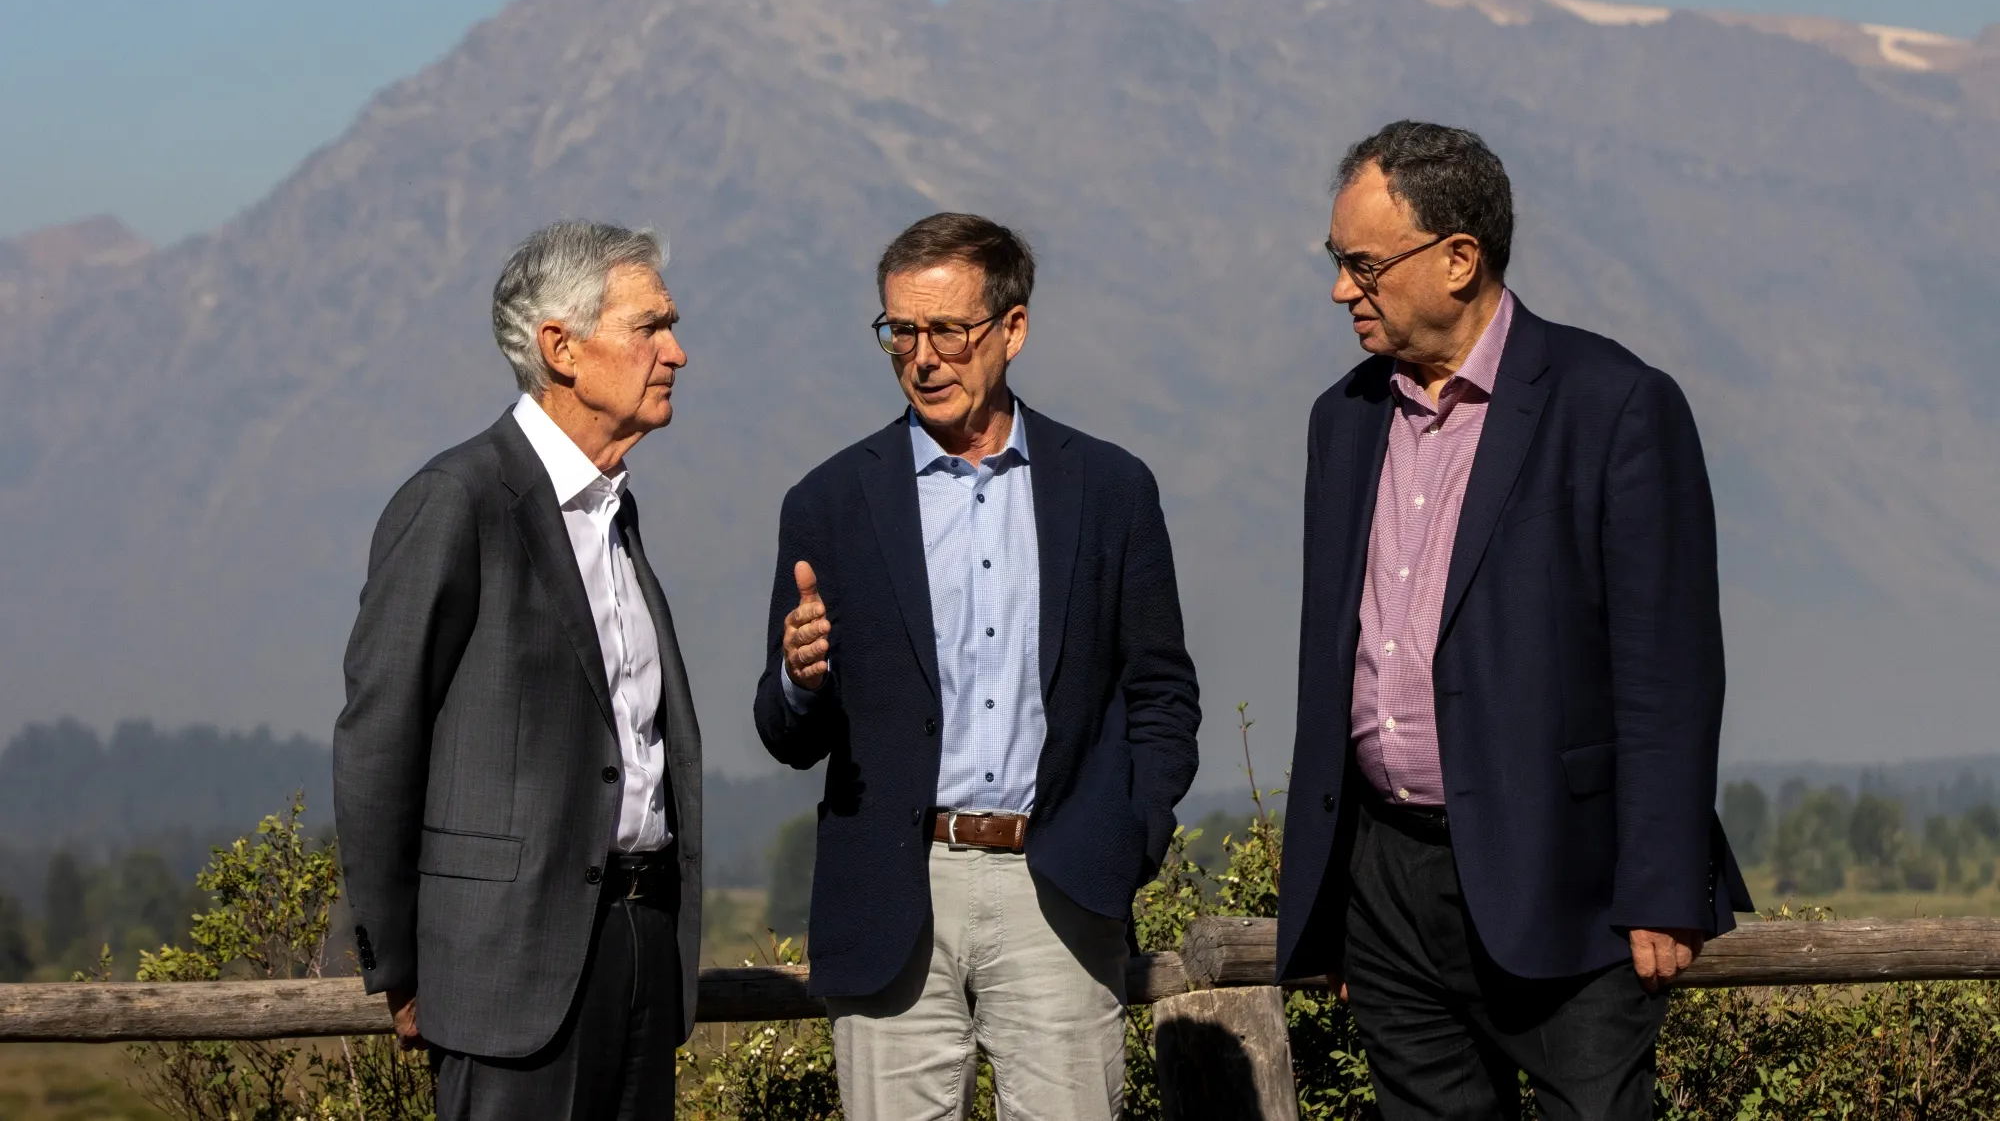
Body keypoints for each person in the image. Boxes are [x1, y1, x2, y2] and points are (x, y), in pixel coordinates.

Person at [1276, 122, 1753, 1120]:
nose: (1338, 289)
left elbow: (1666, 669)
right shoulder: (1343, 416)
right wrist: (1335, 903)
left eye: (1361, 264)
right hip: (1386, 887)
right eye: (1336, 262)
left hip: (1565, 880)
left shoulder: (1613, 404)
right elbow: (1336, 658)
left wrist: (1662, 885)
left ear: (1457, 259)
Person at [753, 212, 1201, 1121]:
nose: (923, 357)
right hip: (892, 893)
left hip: (1061, 885)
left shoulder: (1111, 489)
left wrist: (1129, 835)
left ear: (1013, 329)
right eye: (901, 332)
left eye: (948, 330)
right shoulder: (831, 502)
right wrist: (800, 678)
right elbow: (785, 729)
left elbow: (1160, 691)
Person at [334, 221, 702, 1121]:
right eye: (650, 327)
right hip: (505, 972)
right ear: (561, 348)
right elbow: (380, 737)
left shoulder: (615, 513)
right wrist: (404, 968)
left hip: (642, 946)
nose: (677, 353)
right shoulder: (457, 499)